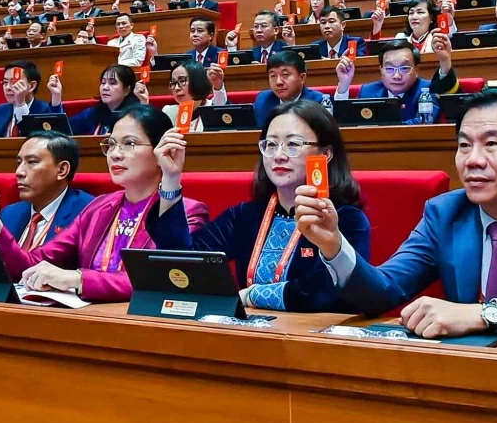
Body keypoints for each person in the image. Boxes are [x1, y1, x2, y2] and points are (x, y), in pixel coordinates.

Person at [295, 90, 497, 340]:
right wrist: (334, 246)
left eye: (491, 144)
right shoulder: (445, 213)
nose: (473, 160)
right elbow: (384, 290)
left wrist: (485, 315)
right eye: (464, 146)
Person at [0, 105, 209, 301]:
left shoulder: (186, 211)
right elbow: (32, 265)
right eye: (111, 144)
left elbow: (165, 277)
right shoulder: (98, 208)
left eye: (130, 143)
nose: (115, 153)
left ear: (161, 151)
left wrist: (78, 279)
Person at [148, 100, 371, 310]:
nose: (279, 155)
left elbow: (325, 292)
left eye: (293, 144)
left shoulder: (345, 218)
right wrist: (170, 177)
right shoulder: (246, 215)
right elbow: (185, 263)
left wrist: (250, 295)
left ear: (326, 153)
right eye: (271, 145)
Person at [0, 132, 94, 251]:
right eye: (19, 163)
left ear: (62, 170)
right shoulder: (9, 214)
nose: (19, 172)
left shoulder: (89, 212)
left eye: (32, 162)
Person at [333, 38, 443, 125]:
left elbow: (423, 124)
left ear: (416, 70)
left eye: (404, 68)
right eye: (390, 69)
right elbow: (347, 124)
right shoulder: (367, 92)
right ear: (381, 71)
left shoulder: (428, 90)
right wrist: (344, 84)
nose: (396, 76)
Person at [252, 50, 328, 127]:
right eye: (273, 76)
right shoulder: (263, 100)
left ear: (302, 78)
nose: (278, 82)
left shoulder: (318, 101)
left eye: (285, 75)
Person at [0, 61, 63, 137]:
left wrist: (21, 105)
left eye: (14, 82)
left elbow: (32, 139)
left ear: (31, 86)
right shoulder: (1, 110)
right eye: (5, 82)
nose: (8, 87)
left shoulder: (44, 111)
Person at [69, 64, 141, 136]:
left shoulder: (134, 114)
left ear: (127, 90)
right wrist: (57, 101)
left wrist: (144, 104)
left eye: (112, 83)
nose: (105, 87)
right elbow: (65, 130)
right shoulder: (94, 112)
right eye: (103, 83)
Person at [157, 61, 227, 132]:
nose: (176, 88)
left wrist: (217, 85)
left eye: (182, 81)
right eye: (173, 83)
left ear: (198, 82)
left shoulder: (212, 108)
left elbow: (220, 103)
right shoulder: (168, 112)